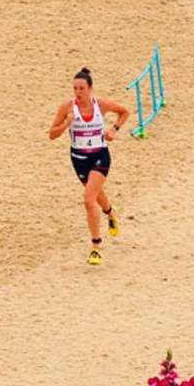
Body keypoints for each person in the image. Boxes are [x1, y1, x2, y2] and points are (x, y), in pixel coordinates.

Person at [47, 69, 132, 265]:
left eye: (82, 88)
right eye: (75, 88)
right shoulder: (67, 108)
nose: (78, 92)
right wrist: (66, 124)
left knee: (88, 199)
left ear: (90, 88)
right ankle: (110, 212)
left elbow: (124, 111)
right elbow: (52, 134)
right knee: (96, 193)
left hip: (100, 156)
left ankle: (96, 247)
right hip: (78, 158)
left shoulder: (100, 105)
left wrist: (114, 130)